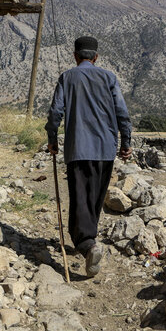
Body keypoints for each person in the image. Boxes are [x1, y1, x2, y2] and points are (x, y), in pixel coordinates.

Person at [45, 35, 132, 277]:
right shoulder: (109, 77)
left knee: (80, 197)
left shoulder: (67, 77)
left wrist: (52, 139)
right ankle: (87, 239)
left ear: (75, 56)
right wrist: (126, 142)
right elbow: (122, 113)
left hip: (78, 148)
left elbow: (56, 112)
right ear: (96, 57)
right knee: (94, 198)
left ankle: (87, 244)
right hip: (105, 149)